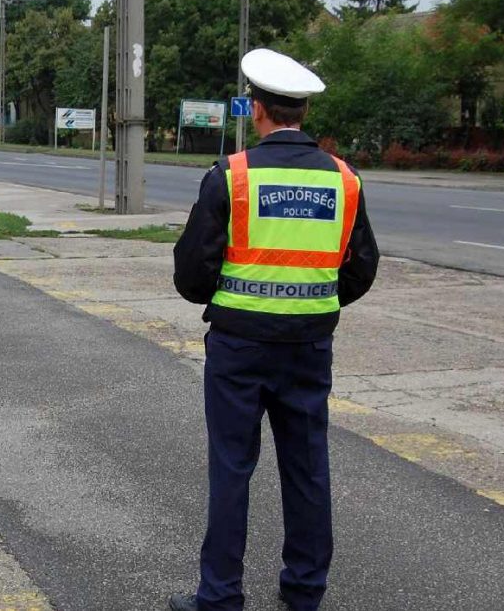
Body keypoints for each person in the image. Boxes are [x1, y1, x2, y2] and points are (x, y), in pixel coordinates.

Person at [170, 48, 379, 611]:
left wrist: (237, 299)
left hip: (238, 348)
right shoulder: (344, 179)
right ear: (303, 111)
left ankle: (219, 597)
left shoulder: (230, 176)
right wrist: (311, 300)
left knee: (232, 471)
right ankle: (304, 593)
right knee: (308, 469)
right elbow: (361, 269)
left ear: (256, 109)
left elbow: (191, 274)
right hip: (309, 347)